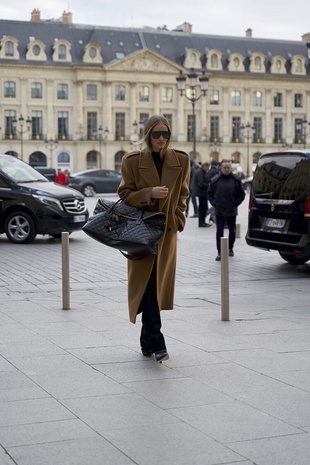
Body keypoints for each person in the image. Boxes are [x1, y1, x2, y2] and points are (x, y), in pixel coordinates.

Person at [118, 115, 190, 362]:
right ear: (148, 135)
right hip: (141, 232)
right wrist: (149, 193)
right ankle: (158, 343)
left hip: (166, 233)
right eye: (156, 134)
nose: (161, 139)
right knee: (147, 285)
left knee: (156, 286)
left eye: (165, 134)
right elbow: (125, 195)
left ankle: (147, 341)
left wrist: (178, 219)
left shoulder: (181, 159)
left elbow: (183, 194)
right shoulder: (132, 160)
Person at [207, 159, 245, 261]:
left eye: (228, 168)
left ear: (230, 168)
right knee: (219, 231)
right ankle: (220, 252)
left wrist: (235, 203)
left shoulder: (236, 180)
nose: (226, 169)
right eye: (224, 168)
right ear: (221, 168)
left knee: (232, 231)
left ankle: (230, 248)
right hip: (219, 210)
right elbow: (209, 193)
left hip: (231, 210)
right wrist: (214, 203)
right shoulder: (215, 180)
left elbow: (242, 194)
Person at [191, 161, 212, 228]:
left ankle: (203, 221)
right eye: (207, 167)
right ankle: (201, 222)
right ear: (204, 166)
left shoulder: (202, 172)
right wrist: (208, 186)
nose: (208, 169)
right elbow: (201, 183)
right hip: (201, 193)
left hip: (202, 193)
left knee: (204, 207)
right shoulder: (200, 172)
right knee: (203, 207)